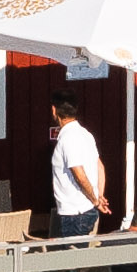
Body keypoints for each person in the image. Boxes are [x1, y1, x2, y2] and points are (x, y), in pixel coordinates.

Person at [46, 100, 110, 241]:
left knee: (71, 260)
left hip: (75, 214)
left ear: (54, 110)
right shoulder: (85, 134)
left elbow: (79, 175)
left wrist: (96, 200)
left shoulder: (68, 139)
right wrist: (99, 195)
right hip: (83, 210)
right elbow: (100, 167)